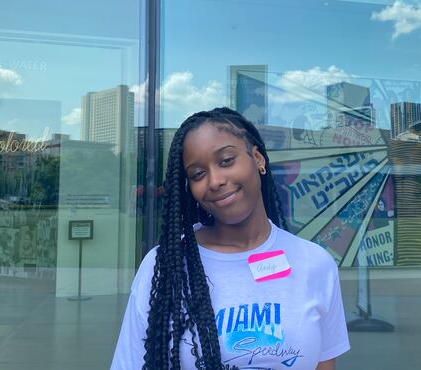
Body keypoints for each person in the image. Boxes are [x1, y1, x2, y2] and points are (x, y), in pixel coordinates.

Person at [111, 107, 350, 370]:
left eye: (226, 161)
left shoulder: (315, 263)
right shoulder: (164, 266)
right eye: (198, 174)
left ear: (258, 159)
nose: (214, 181)